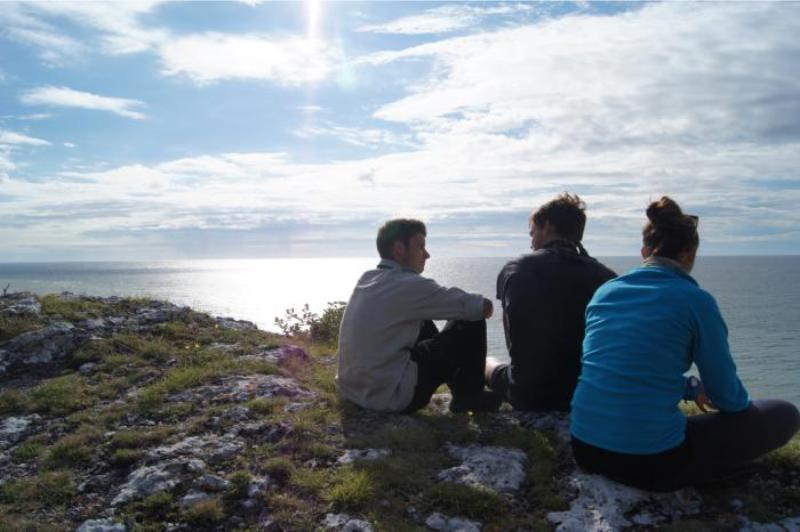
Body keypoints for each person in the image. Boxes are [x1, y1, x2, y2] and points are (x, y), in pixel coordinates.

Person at [570, 196, 800, 491]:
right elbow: (728, 398)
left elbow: (625, 368)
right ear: (690, 253)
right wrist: (733, 406)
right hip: (651, 463)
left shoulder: (605, 293)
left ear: (645, 252)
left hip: (585, 447)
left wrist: (690, 388)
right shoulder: (696, 301)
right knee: (784, 413)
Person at [337, 218, 500, 413]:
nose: (427, 254)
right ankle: (469, 396)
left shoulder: (367, 278)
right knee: (469, 319)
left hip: (353, 391)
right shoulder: (409, 284)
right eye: (420, 246)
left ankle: (462, 388)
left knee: (424, 318)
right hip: (391, 396)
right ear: (399, 249)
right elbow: (481, 308)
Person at [488, 193, 616, 411]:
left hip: (528, 395)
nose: (531, 242)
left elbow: (513, 338)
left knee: (488, 362)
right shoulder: (607, 278)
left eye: (533, 233)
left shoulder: (514, 270)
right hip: (587, 392)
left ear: (547, 227)